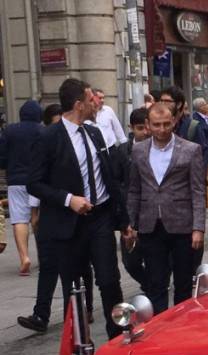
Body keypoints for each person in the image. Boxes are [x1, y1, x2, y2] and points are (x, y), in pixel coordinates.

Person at [26, 78, 131, 339]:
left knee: (109, 280)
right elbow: (34, 183)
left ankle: (118, 337)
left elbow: (110, 178)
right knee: (74, 286)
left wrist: (125, 221)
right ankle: (79, 345)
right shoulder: (48, 137)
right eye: (90, 99)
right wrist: (68, 199)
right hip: (68, 222)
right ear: (78, 105)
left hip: (101, 217)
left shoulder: (94, 132)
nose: (95, 102)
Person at [126, 103, 206, 314]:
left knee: (182, 283)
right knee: (156, 282)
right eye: (156, 125)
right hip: (150, 224)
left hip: (182, 225)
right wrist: (131, 223)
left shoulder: (190, 150)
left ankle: (181, 327)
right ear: (148, 125)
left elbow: (198, 191)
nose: (162, 129)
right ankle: (159, 328)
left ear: (174, 122)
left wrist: (198, 227)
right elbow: (134, 189)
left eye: (166, 124)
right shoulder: (138, 150)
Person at [0, 100, 42, 275]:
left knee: (19, 219)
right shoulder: (43, 131)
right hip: (38, 180)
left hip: (16, 179)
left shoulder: (9, 131)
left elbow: (1, 156)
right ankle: (43, 256)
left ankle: (24, 257)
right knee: (37, 216)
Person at [114, 107, 150, 291]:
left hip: (152, 212)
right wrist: (123, 220)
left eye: (147, 127)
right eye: (139, 128)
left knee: (154, 256)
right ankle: (148, 283)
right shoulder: (122, 151)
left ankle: (155, 285)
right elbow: (117, 183)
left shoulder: (156, 147)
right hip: (130, 213)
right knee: (130, 260)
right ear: (131, 128)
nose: (144, 132)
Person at [159, 86, 207, 151]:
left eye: (166, 101)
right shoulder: (157, 126)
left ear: (179, 104)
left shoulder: (192, 127)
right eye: (161, 101)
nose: (162, 104)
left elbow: (202, 153)